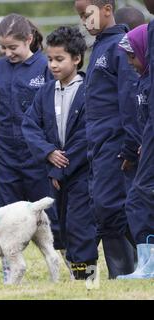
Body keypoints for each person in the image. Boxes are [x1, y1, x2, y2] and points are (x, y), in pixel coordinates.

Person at [0, 13, 63, 283]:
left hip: (40, 157)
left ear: (30, 40)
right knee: (4, 215)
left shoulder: (46, 68)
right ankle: (9, 271)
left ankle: (67, 264)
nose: (7, 53)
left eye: (13, 47)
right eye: (3, 48)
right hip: (6, 157)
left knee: (49, 215)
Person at [22, 27, 98, 280]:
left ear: (76, 59)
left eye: (59, 59)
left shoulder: (89, 90)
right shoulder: (44, 92)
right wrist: (47, 153)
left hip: (80, 172)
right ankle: (76, 274)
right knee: (62, 226)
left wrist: (60, 168)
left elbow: (86, 134)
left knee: (80, 226)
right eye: (50, 59)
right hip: (54, 174)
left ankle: (87, 277)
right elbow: (30, 126)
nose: (53, 65)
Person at [74, 0, 140, 278]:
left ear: (107, 9)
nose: (84, 22)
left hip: (116, 145)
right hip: (97, 145)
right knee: (103, 206)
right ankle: (128, 270)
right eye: (80, 16)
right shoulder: (98, 46)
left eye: (87, 14)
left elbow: (129, 99)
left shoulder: (121, 45)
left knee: (110, 207)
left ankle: (125, 272)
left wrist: (129, 144)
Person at [116, 0, 154, 279]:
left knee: (139, 198)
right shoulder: (143, 79)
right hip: (146, 145)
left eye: (132, 57)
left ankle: (149, 266)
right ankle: (146, 263)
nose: (130, 64)